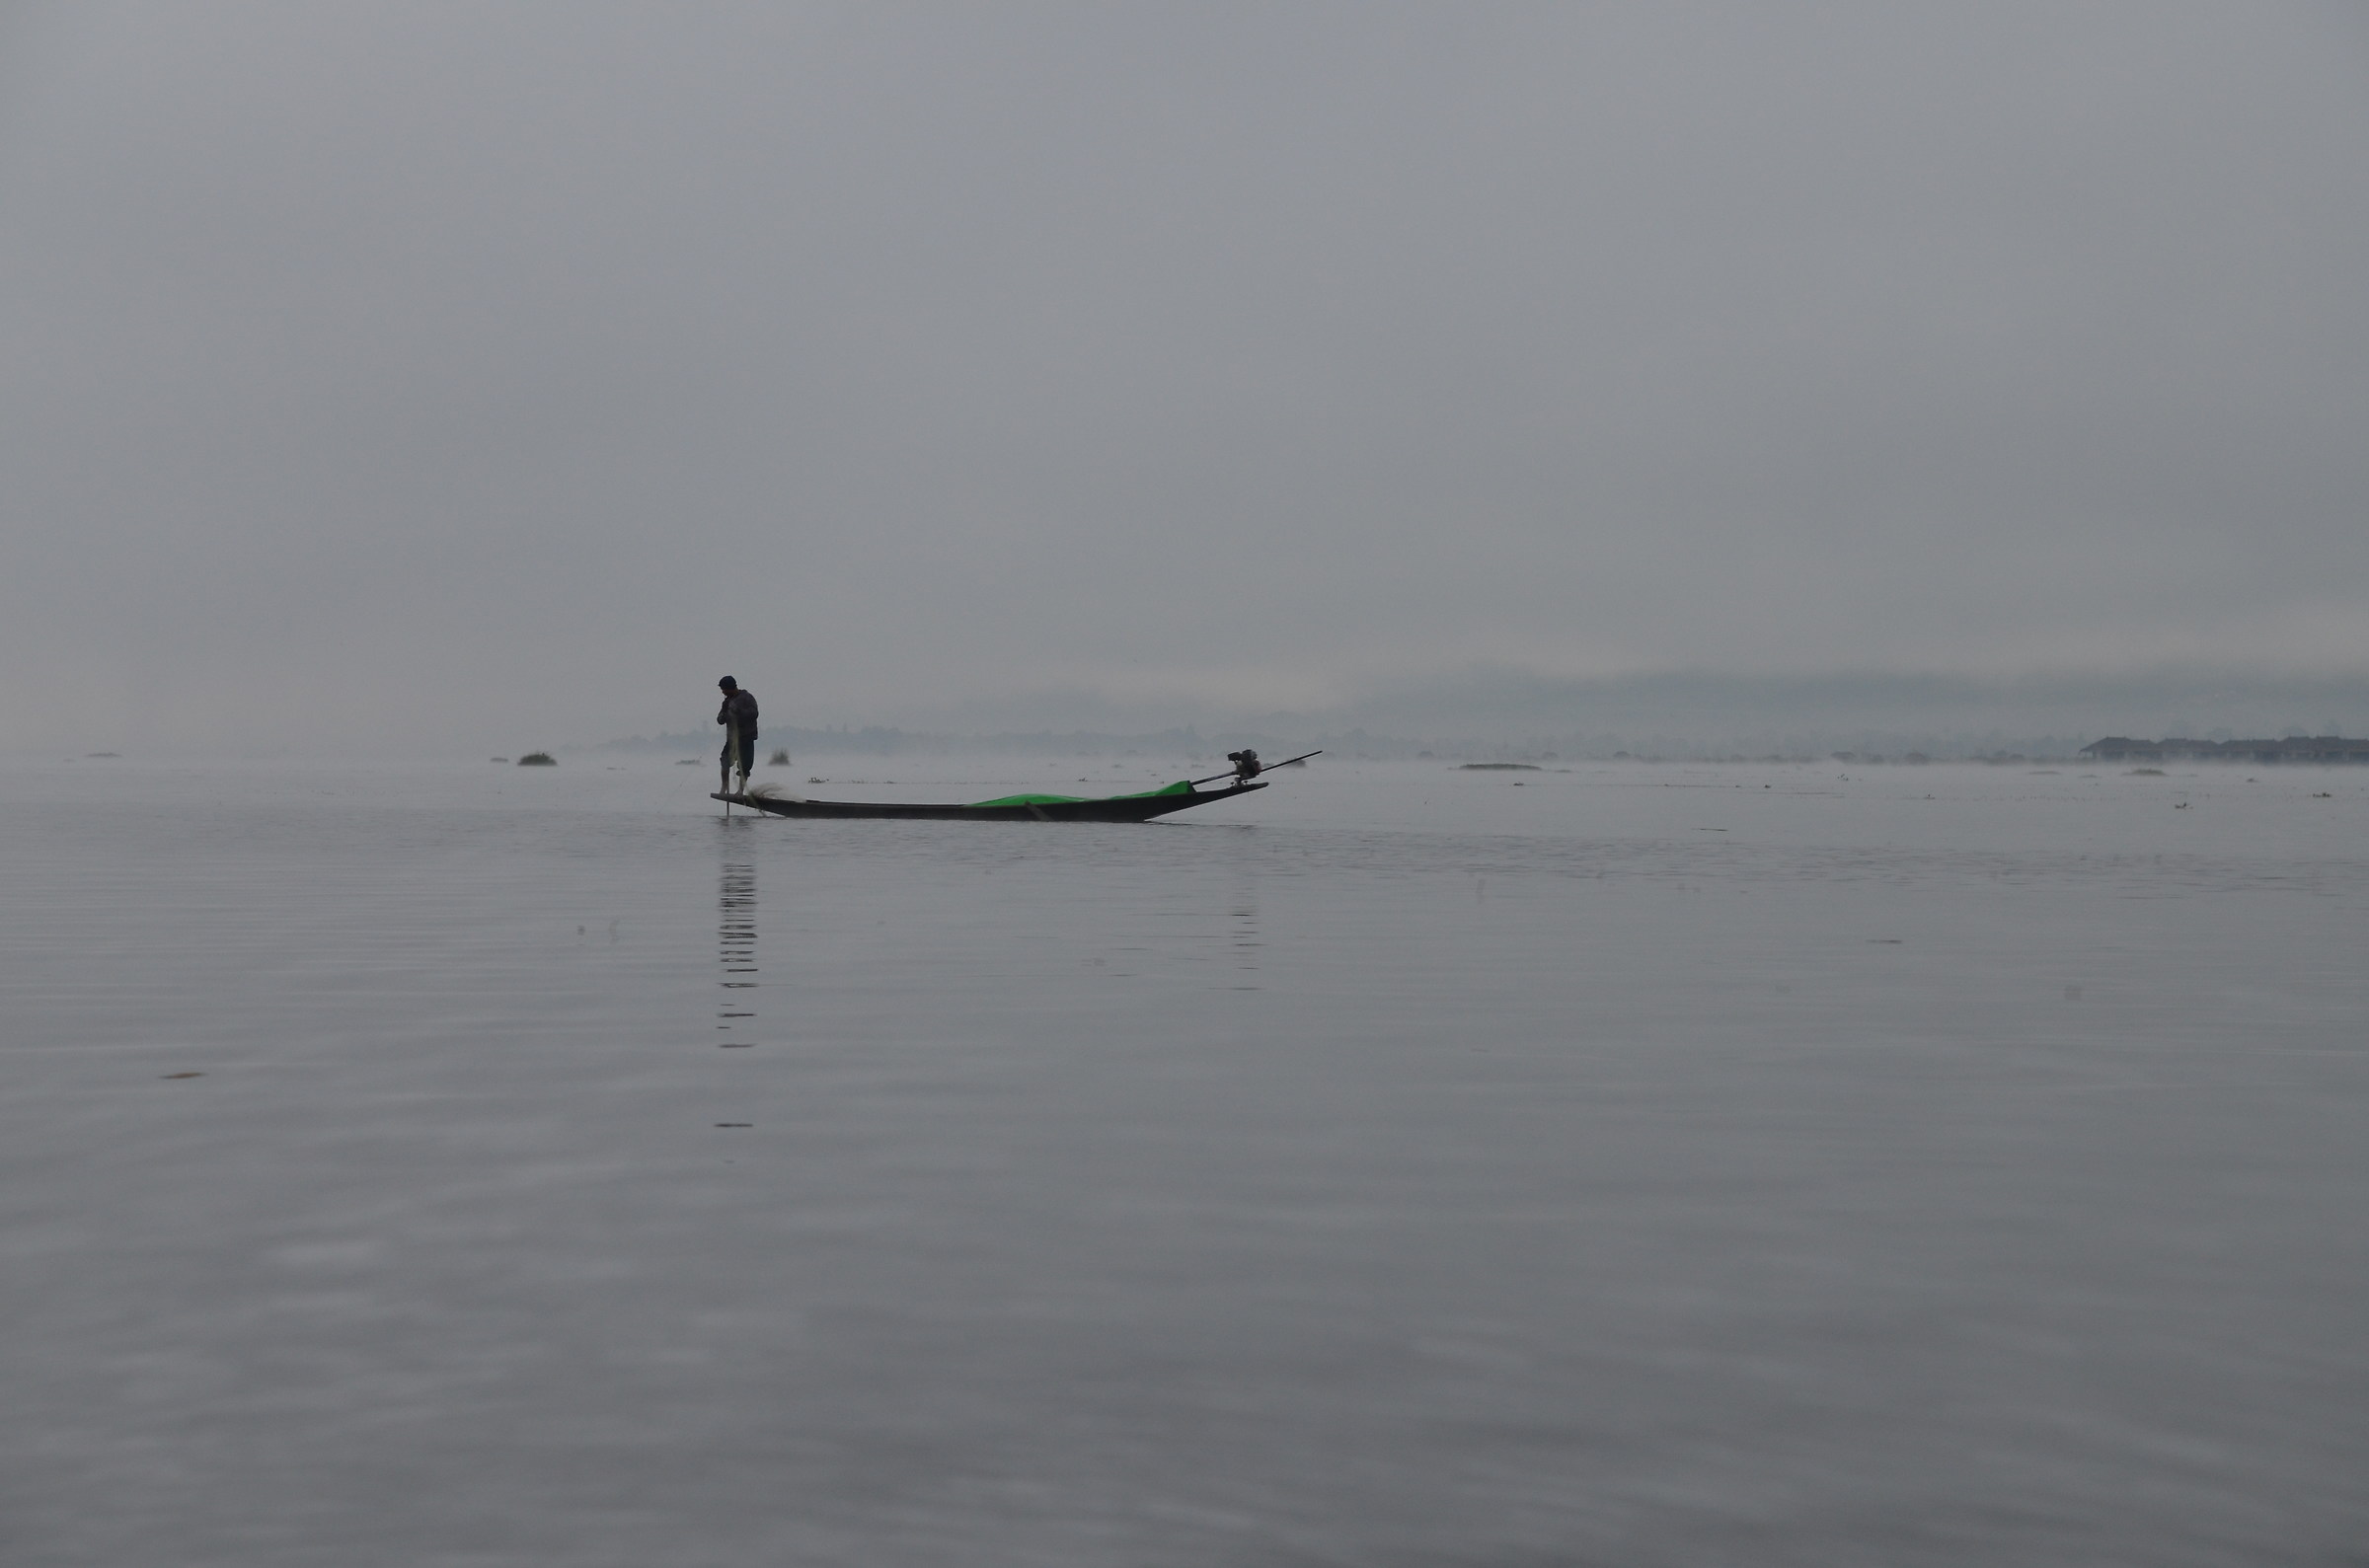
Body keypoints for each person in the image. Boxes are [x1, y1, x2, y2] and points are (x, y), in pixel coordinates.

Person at [717, 677, 759, 794]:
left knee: (745, 766)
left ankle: (740, 790)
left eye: (724, 689)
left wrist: (739, 711)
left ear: (731, 688)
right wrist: (724, 712)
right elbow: (720, 720)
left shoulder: (747, 697)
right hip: (732, 739)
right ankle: (724, 787)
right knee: (725, 760)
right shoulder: (726, 701)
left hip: (747, 737)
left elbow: (754, 713)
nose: (723, 692)